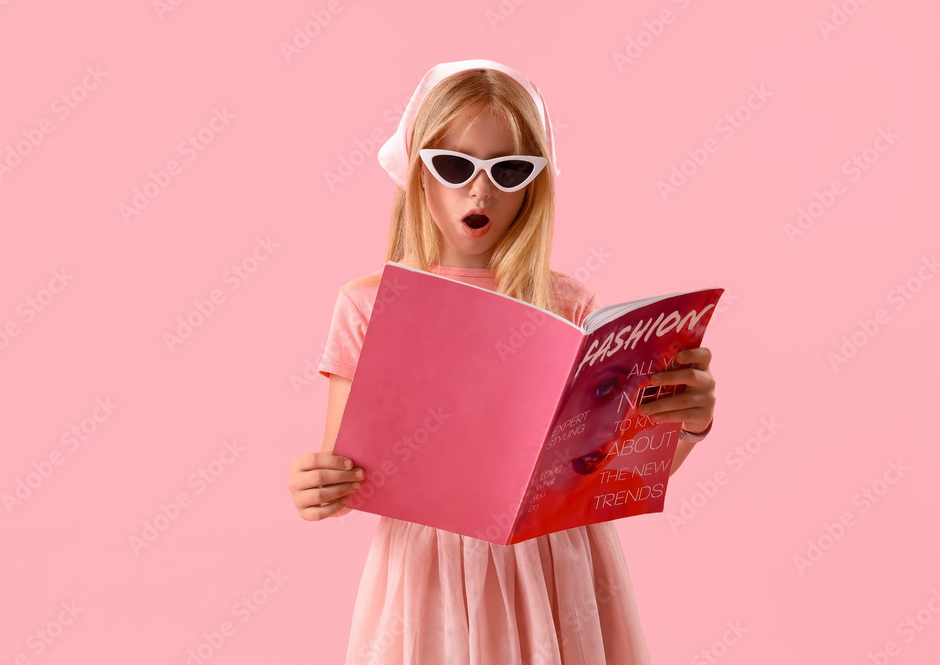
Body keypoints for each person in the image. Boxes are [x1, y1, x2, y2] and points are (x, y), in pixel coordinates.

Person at [287, 58, 716, 665]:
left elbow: (612, 475)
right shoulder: (368, 304)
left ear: (535, 183)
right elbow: (341, 473)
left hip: (557, 568)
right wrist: (314, 487)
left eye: (509, 170)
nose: (480, 191)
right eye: (455, 166)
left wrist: (688, 422)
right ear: (419, 176)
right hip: (428, 575)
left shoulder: (570, 305)